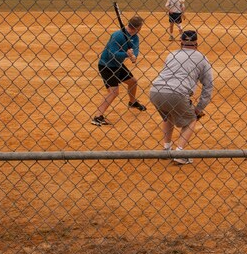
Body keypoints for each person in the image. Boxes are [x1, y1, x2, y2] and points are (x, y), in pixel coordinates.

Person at [149, 30, 214, 165]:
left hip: (155, 90)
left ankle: (166, 150)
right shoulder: (202, 58)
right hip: (177, 93)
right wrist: (198, 108)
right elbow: (208, 86)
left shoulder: (172, 55)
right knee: (191, 119)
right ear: (196, 43)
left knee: (168, 116)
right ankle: (179, 153)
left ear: (181, 42)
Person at [91, 15, 147, 126]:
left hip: (118, 65)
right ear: (137, 27)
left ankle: (132, 102)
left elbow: (135, 49)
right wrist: (126, 54)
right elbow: (112, 54)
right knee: (114, 91)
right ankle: (97, 116)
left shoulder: (135, 36)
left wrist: (134, 56)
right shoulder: (118, 36)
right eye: (141, 27)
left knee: (133, 82)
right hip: (107, 65)